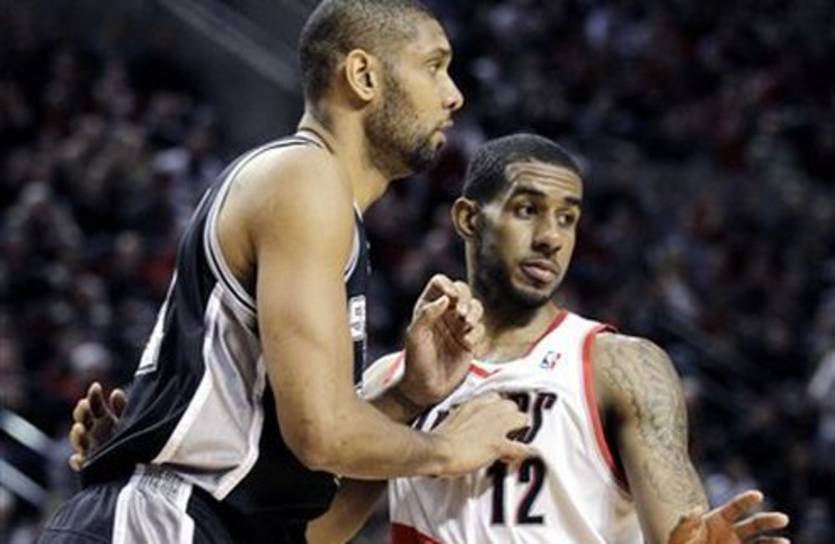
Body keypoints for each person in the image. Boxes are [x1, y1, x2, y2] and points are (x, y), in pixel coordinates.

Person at [70, 135, 791, 544]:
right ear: (469, 219)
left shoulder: (617, 365)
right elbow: (309, 534)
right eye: (528, 209)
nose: (550, 236)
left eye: (568, 218)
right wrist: (147, 462)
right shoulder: (396, 382)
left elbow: (681, 519)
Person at [39, 2, 533, 543]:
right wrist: (448, 449)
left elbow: (309, 530)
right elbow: (320, 433)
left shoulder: (322, 206)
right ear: (363, 76)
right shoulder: (304, 177)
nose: (453, 94)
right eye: (434, 66)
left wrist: (409, 397)